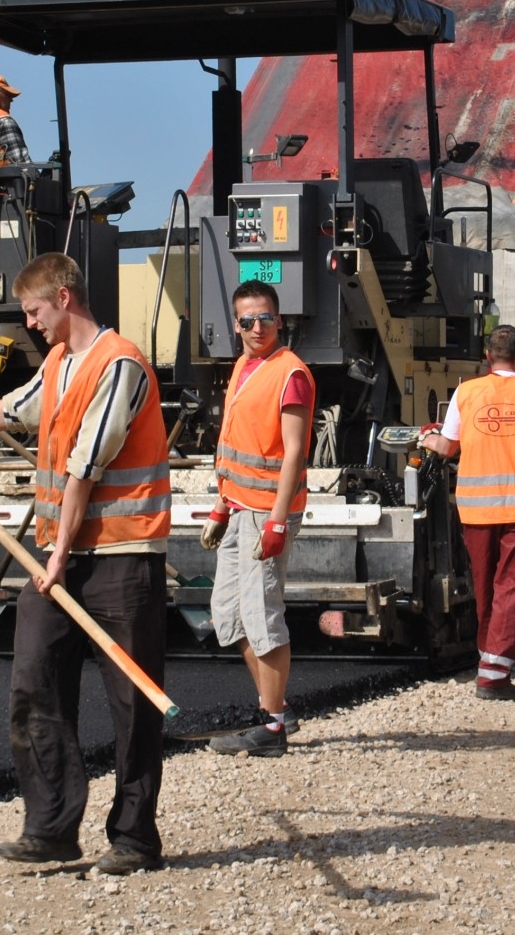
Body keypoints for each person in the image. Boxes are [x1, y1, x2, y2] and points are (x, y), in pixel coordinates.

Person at [0, 252, 169, 875]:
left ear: (64, 298)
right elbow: (15, 409)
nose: (29, 324)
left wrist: (60, 555)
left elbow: (84, 468)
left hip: (121, 558)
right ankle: (50, 827)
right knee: (34, 681)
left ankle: (134, 838)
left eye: (34, 311)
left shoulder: (118, 364)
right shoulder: (58, 364)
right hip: (58, 557)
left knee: (132, 703)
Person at [199, 281, 315, 757]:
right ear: (235, 324)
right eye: (247, 320)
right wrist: (221, 505)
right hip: (238, 508)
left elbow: (293, 455)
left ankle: (271, 726)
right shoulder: (244, 366)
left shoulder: (292, 374)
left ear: (280, 320)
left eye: (265, 318)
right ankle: (275, 710)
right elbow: (234, 443)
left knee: (263, 618)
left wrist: (278, 522)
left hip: (267, 514)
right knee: (228, 615)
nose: (256, 328)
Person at [420, 324, 515, 700]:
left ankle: (490, 660)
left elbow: (447, 448)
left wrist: (425, 437)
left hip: (476, 509)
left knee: (486, 588)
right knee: (512, 587)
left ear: (487, 357)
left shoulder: (466, 394)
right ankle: (494, 673)